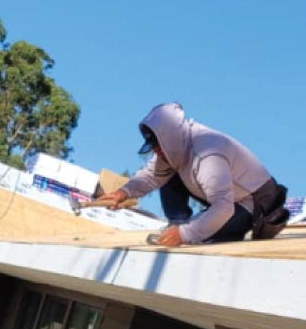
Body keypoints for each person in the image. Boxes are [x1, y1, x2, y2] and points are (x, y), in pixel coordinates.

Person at [105, 102, 289, 246]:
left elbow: (223, 208)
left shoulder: (207, 154)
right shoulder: (174, 147)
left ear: (167, 139)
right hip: (227, 196)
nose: (157, 153)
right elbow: (150, 175)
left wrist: (185, 234)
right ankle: (177, 222)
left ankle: (181, 229)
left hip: (251, 202)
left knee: (208, 238)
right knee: (169, 171)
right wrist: (124, 193)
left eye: (158, 147)